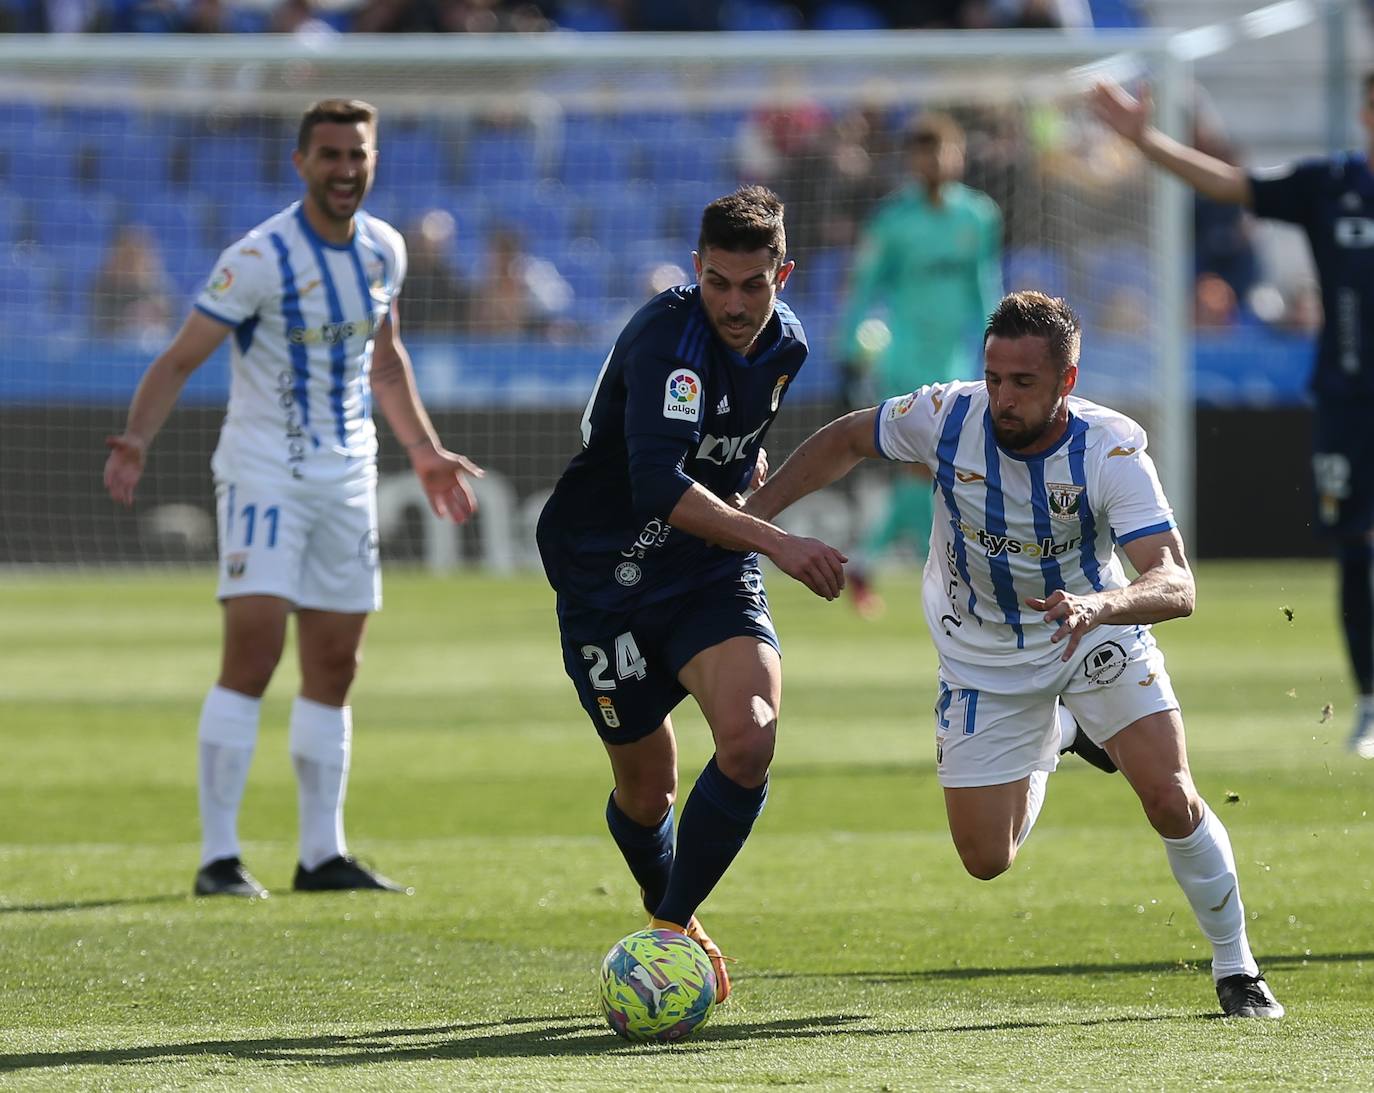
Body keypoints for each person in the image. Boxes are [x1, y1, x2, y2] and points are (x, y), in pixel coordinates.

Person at [745, 291, 1285, 1020]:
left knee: (1169, 795)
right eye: (994, 377)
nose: (1001, 397)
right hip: (981, 656)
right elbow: (846, 438)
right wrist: (750, 521)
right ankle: (1061, 733)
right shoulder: (944, 414)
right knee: (985, 858)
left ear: (1066, 380)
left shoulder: (1110, 447)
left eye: (1023, 383)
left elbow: (1176, 581)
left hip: (1092, 634)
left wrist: (1101, 606)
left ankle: (1238, 967)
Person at [103, 99, 484, 899]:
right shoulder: (258, 257)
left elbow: (386, 361)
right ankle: (218, 857)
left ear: (373, 161)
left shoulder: (384, 250)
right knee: (252, 652)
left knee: (337, 662)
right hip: (264, 474)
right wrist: (137, 438)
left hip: (347, 478)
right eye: (331, 155)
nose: (346, 169)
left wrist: (424, 453)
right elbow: (179, 358)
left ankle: (321, 854)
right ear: (301, 162)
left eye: (359, 155)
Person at [536, 186, 847, 1001]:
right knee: (648, 791)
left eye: (754, 285)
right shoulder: (665, 340)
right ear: (696, 268)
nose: (735, 304)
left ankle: (670, 931)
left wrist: (748, 474)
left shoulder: (788, 345)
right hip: (607, 575)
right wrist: (778, 538)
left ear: (784, 273)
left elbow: (735, 438)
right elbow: (656, 481)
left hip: (707, 567)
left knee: (748, 742)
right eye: (718, 283)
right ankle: (666, 907)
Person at [1091, 76, 1374, 759]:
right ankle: (1369, 703)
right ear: (1366, 112)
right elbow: (1229, 184)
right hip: (1347, 399)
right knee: (1358, 549)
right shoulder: (1331, 183)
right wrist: (1145, 141)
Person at [834, 111, 1003, 616]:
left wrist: (999, 344)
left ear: (958, 155)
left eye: (942, 150)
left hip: (955, 358)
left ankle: (869, 565)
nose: (934, 161)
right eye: (924, 152)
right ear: (912, 160)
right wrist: (848, 352)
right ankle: (898, 568)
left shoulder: (978, 216)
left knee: (934, 472)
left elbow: (983, 287)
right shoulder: (892, 221)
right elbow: (864, 288)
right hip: (904, 358)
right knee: (921, 469)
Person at [90, 224, 175, 341]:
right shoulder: (102, 288)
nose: (130, 263)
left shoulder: (158, 287)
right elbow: (98, 327)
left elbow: (170, 322)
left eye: (135, 256)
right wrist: (128, 317)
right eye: (125, 256)